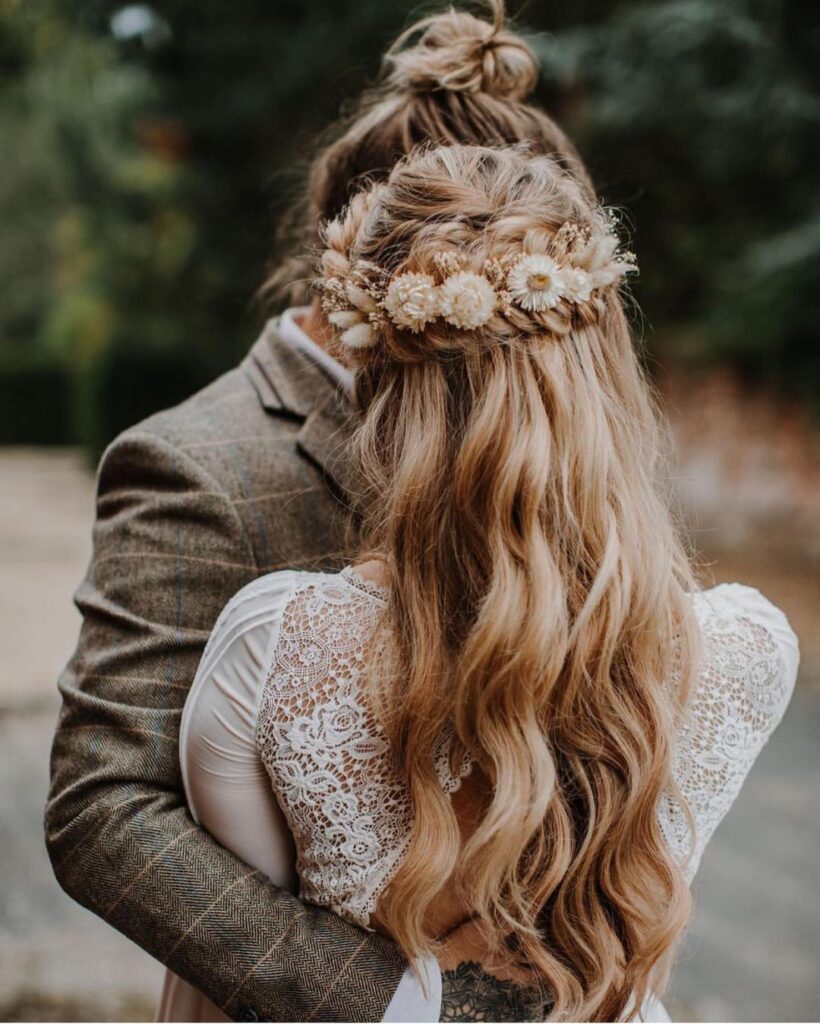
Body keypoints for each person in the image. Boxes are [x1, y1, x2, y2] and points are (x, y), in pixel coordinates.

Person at [44, 3, 603, 1021]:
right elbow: (102, 807)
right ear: (372, 252)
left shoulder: (544, 434)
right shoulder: (196, 463)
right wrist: (395, 1000)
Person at [161, 144, 798, 1022]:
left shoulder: (274, 650)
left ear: (374, 381)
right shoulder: (749, 649)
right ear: (607, 361)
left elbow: (266, 950)